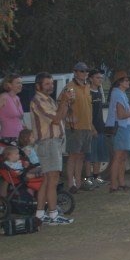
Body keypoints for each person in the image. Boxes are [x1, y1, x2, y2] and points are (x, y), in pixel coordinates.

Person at [30, 72, 74, 225]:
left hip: (53, 143)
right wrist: (63, 102)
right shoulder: (38, 101)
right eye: (47, 84)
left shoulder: (48, 100)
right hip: (48, 143)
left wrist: (65, 102)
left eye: (51, 84)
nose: (50, 87)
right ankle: (53, 215)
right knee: (53, 180)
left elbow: (60, 116)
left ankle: (40, 214)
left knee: (47, 181)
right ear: (38, 86)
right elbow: (55, 119)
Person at [105, 70, 130, 193]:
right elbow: (120, 115)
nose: (128, 82)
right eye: (126, 80)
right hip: (121, 128)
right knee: (118, 157)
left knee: (122, 157)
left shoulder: (121, 93)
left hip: (125, 127)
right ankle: (114, 186)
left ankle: (121, 184)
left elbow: (122, 113)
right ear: (119, 82)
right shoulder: (118, 94)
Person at [63, 62, 94, 193]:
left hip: (86, 126)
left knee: (81, 155)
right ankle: (71, 184)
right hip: (75, 128)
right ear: (75, 72)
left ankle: (79, 183)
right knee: (73, 155)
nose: (85, 73)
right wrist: (68, 119)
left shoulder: (87, 87)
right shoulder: (69, 87)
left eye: (86, 71)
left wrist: (91, 126)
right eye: (82, 71)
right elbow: (63, 104)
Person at [83, 69, 110, 188]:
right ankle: (88, 179)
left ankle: (96, 177)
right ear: (91, 79)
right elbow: (86, 113)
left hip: (100, 128)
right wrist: (92, 128)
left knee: (99, 154)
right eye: (97, 78)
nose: (100, 80)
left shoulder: (99, 92)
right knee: (90, 156)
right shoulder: (88, 93)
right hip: (91, 129)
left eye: (101, 78)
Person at [0, 72, 27, 140]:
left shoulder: (17, 98)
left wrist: (22, 126)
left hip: (20, 136)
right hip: (8, 137)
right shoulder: (3, 97)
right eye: (18, 83)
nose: (20, 85)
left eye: (21, 83)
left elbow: (17, 117)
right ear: (9, 84)